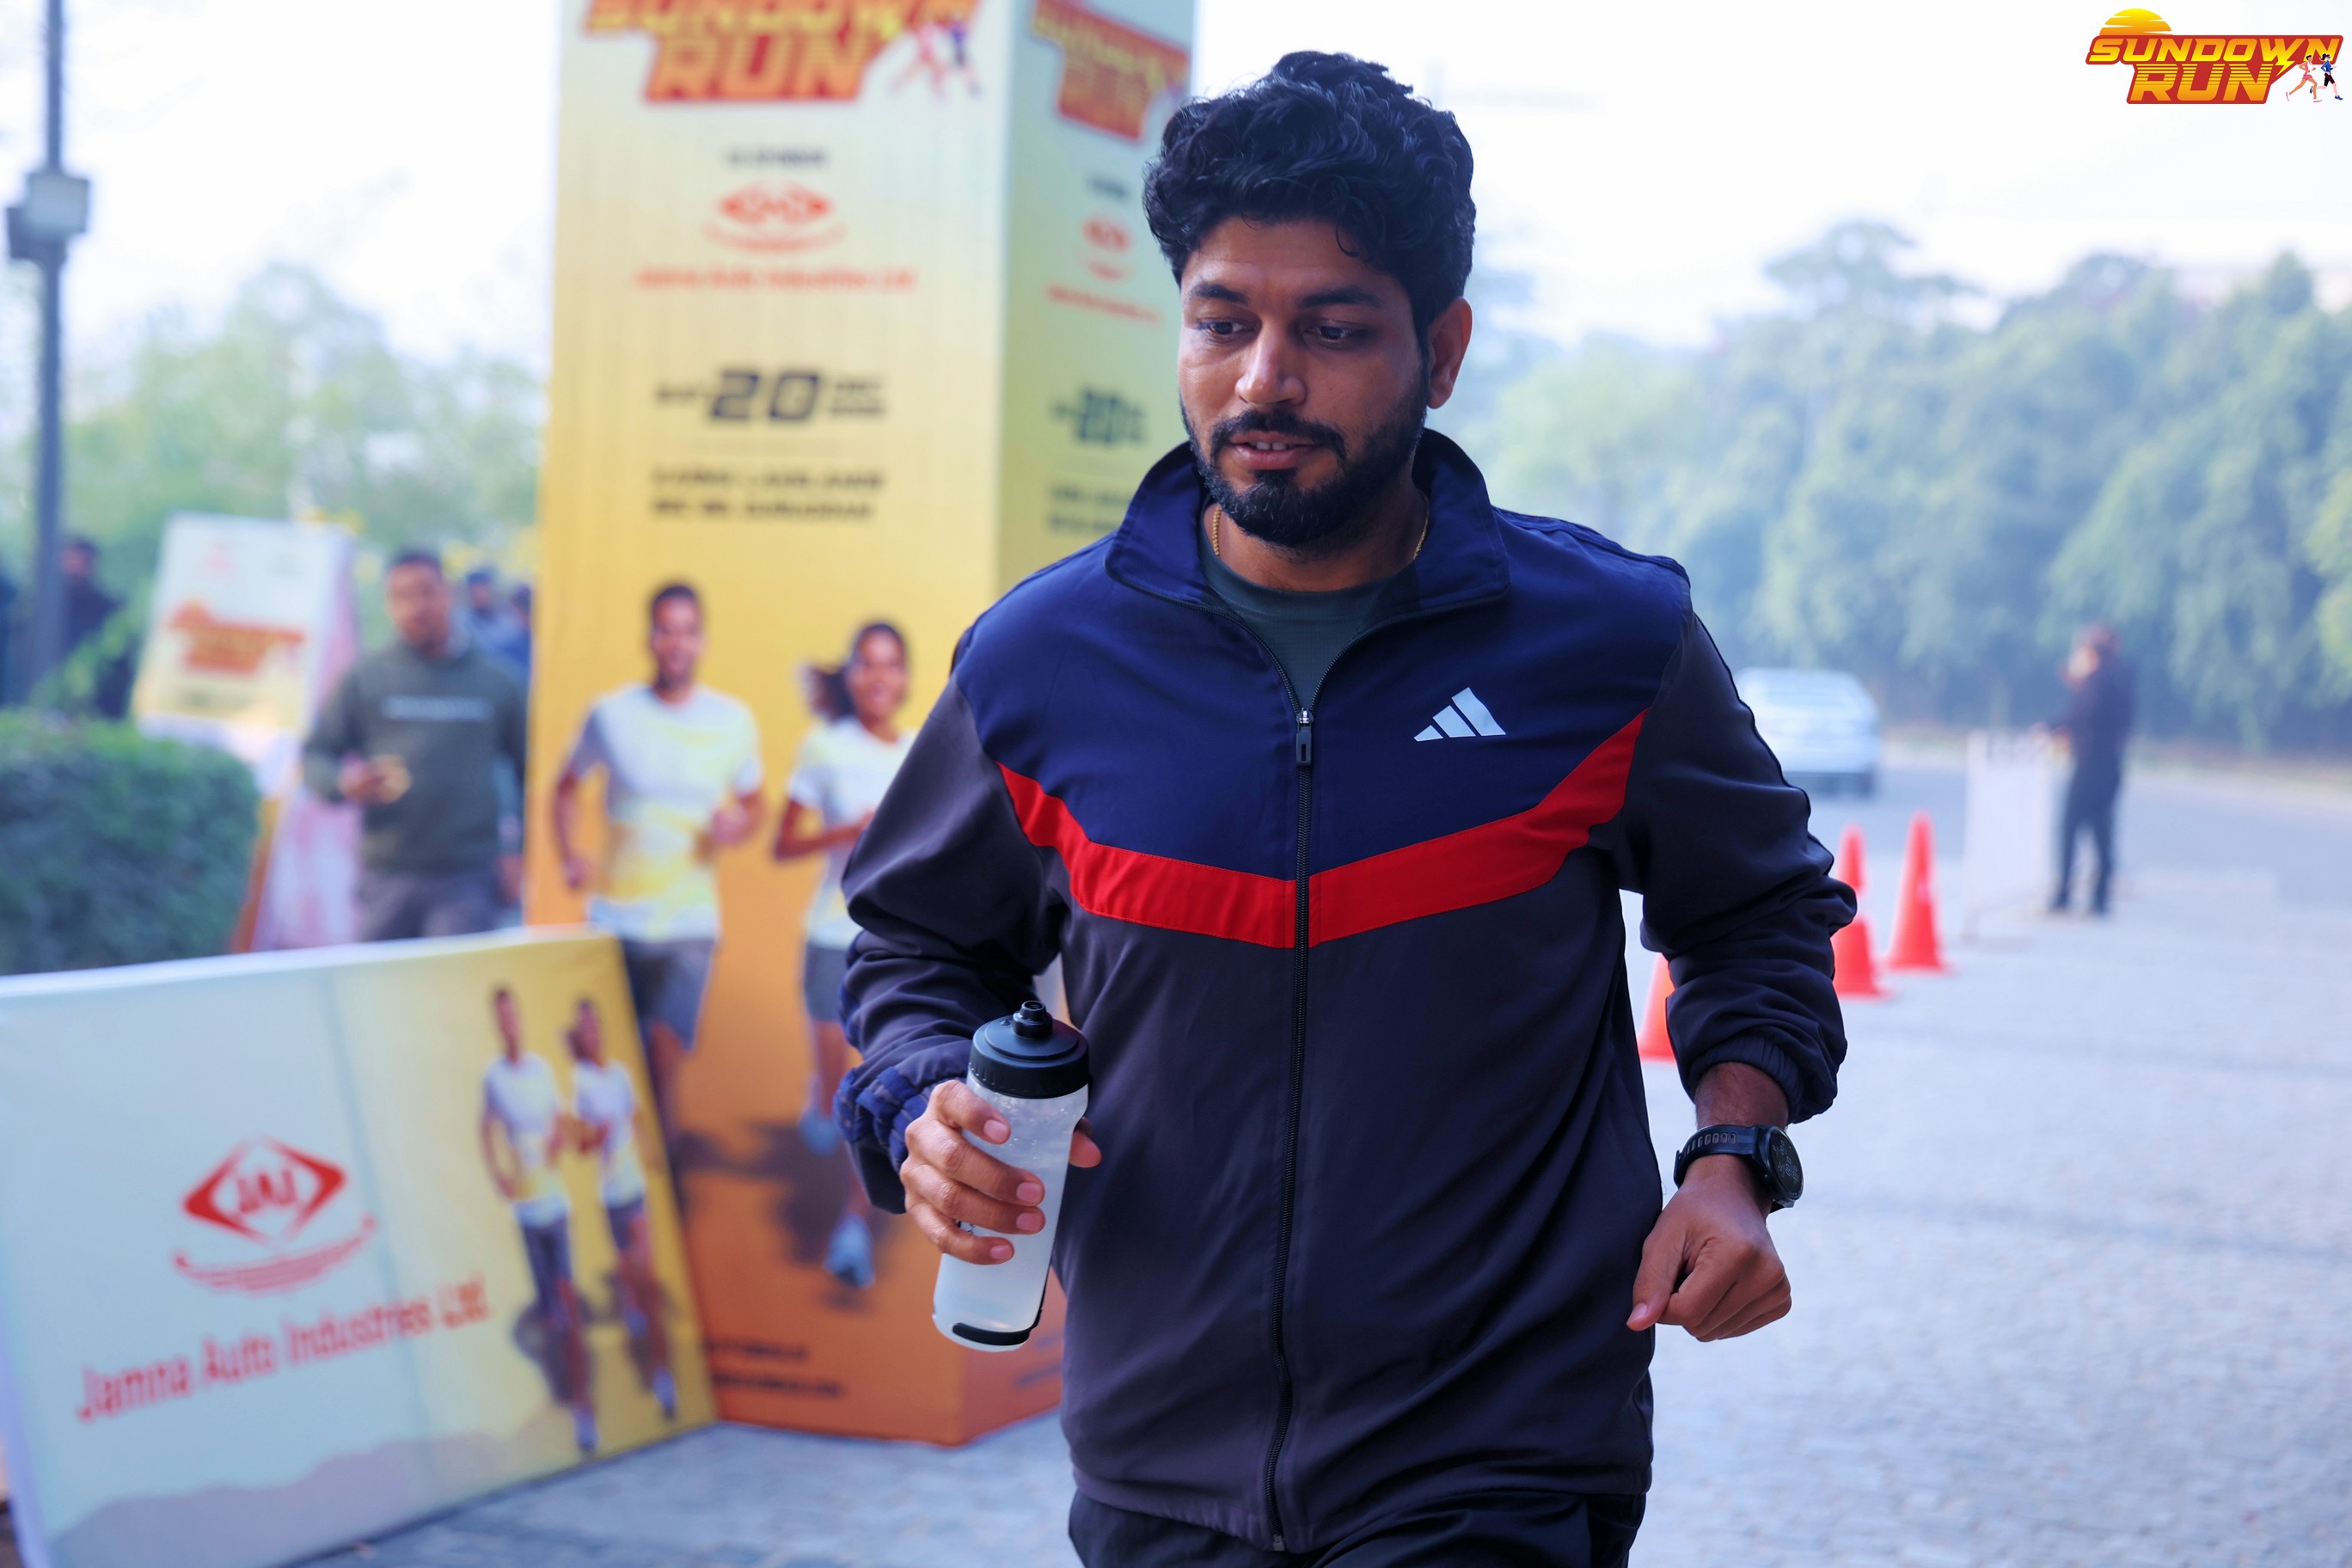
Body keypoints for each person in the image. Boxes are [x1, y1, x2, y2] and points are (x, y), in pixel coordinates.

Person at [834, 54, 1853, 1568]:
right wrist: (923, 1097)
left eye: (1333, 328)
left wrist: (1733, 1155)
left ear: (1440, 350)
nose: (1265, 379)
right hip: (1152, 1462)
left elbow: (1759, 911)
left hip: (1496, 1458)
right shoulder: (1042, 662)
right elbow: (914, 947)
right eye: (1222, 321)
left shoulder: (1607, 642)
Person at [554, 582, 764, 1148]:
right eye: (666, 630)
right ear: (650, 638)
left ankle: (663, 1173)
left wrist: (736, 825)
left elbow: (754, 805)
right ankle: (623, 1176)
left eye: (687, 631)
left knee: (664, 1058)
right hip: (617, 919)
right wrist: (570, 854)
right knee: (614, 1064)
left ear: (702, 640)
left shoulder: (732, 720)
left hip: (689, 920)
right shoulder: (611, 714)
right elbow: (566, 786)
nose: (676, 643)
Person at [773, 622, 913, 1290]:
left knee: (871, 1091)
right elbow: (783, 845)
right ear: (851, 674)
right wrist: (847, 832)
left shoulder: (920, 753)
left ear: (905, 678)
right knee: (835, 1097)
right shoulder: (823, 747)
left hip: (893, 944)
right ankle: (816, 1091)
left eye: (892, 665)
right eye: (868, 664)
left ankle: (852, 1226)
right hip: (831, 934)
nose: (879, 677)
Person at [303, 548, 528, 941]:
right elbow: (317, 754)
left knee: (453, 979)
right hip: (388, 873)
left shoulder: (496, 681)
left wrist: (519, 850)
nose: (415, 607)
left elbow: (534, 772)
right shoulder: (366, 678)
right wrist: (344, 783)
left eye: (426, 592)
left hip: (468, 877)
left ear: (449, 594)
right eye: (401, 596)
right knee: (379, 978)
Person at [478, 986, 597, 1454]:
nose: (509, 1024)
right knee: (550, 1314)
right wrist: (499, 1175)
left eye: (513, 1016)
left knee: (568, 1305)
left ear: (520, 1020)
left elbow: (561, 1121)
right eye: (502, 1018)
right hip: (527, 1211)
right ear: (497, 1024)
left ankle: (585, 1409)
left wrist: (558, 1140)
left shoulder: (541, 1071)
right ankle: (562, 1397)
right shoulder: (493, 1077)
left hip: (556, 1204)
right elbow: (485, 1127)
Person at [565, 995, 679, 1421]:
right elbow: (581, 1144)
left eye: (595, 1025)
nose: (592, 1034)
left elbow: (636, 1116)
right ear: (580, 1036)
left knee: (647, 1276)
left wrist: (650, 1154)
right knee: (630, 1274)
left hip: (634, 1188)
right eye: (585, 1028)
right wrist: (596, 1134)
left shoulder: (620, 1074)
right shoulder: (579, 1081)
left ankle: (663, 1376)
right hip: (609, 1192)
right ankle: (633, 1313)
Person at [2050, 623, 2135, 917]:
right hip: (2112, 765)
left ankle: (2063, 893)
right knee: (2102, 830)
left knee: (2070, 827)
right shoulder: (2121, 678)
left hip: (2090, 765)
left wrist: (2050, 728)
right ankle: (2100, 897)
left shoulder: (2096, 681)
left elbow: (2080, 717)